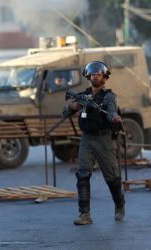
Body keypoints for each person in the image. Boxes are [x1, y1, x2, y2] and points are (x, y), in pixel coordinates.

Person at [66, 61, 124, 225]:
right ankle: (85, 215)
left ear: (104, 77)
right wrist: (75, 106)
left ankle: (119, 205)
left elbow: (111, 110)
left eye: (98, 74)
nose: (95, 77)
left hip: (104, 140)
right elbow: (66, 112)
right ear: (88, 76)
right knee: (83, 175)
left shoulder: (109, 96)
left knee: (112, 177)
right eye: (92, 74)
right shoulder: (83, 96)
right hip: (87, 139)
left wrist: (113, 116)